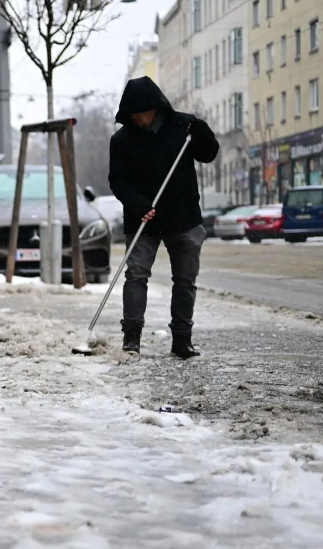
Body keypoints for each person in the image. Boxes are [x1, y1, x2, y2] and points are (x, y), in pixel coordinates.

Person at [109, 76, 219, 359]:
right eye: (131, 115)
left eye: (140, 114)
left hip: (183, 218)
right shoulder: (121, 139)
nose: (137, 119)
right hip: (143, 219)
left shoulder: (183, 128)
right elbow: (117, 181)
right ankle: (131, 338)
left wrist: (202, 130)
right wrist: (138, 204)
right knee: (136, 276)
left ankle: (182, 339)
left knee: (185, 280)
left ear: (155, 108)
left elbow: (208, 154)